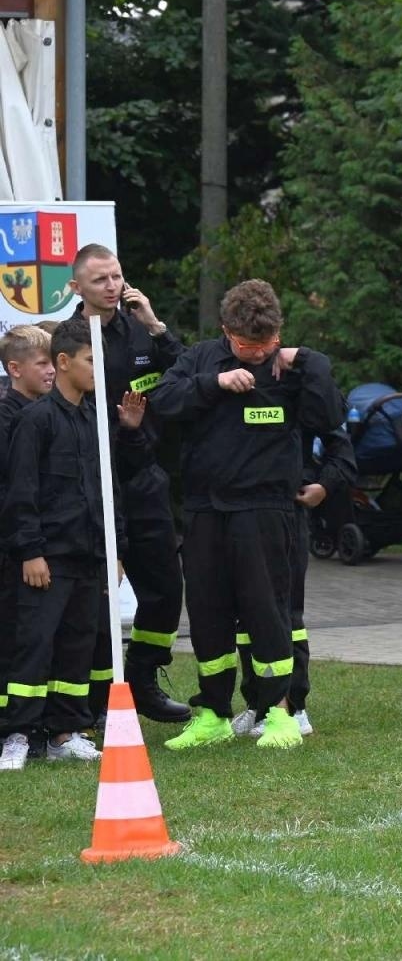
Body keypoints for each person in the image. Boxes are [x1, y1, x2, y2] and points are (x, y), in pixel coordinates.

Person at [150, 280, 345, 751]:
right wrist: (214, 383)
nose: (257, 355)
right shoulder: (200, 359)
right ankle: (212, 712)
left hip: (265, 511)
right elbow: (162, 402)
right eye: (246, 347)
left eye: (267, 345)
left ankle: (279, 712)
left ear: (279, 333)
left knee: (268, 613)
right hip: (204, 511)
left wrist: (309, 362)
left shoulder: (293, 370)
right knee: (208, 614)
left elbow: (328, 417)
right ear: (226, 332)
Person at [0, 319, 144, 770]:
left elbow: (109, 491)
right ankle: (17, 735)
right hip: (48, 559)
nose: (98, 369)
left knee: (78, 646)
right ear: (64, 363)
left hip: (90, 557)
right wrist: (30, 551)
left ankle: (65, 731)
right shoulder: (34, 421)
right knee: (34, 645)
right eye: (90, 361)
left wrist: (115, 550)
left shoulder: (95, 418)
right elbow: (20, 492)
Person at [69, 245, 192, 723]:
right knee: (96, 592)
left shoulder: (142, 331)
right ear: (77, 287)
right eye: (100, 279)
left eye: (117, 276)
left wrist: (157, 326)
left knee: (163, 587)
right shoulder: (69, 337)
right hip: (90, 483)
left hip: (142, 478)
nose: (112, 286)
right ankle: (96, 699)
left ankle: (143, 679)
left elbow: (184, 374)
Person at [232, 423, 357, 739]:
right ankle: (259, 703)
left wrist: (324, 486)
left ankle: (295, 706)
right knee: (248, 615)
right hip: (242, 509)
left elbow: (340, 448)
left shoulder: (308, 385)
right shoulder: (235, 379)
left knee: (285, 613)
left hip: (287, 510)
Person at [0, 325, 55, 728]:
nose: (52, 370)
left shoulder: (51, 413)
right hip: (13, 547)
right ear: (15, 369)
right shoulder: (9, 420)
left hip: (39, 541)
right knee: (12, 634)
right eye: (43, 364)